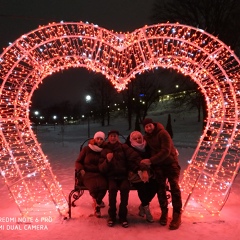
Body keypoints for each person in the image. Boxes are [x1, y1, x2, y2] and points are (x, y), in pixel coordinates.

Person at [141, 118, 182, 230]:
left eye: (150, 125)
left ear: (153, 125)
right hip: (159, 165)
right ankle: (164, 212)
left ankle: (177, 215)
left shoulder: (163, 133)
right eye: (146, 127)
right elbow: (135, 143)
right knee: (160, 187)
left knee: (174, 187)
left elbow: (165, 151)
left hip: (170, 163)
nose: (148, 128)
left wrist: (150, 161)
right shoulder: (147, 138)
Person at [99, 130, 142, 228]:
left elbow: (134, 157)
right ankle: (112, 216)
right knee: (112, 189)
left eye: (115, 136)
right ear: (108, 138)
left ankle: (123, 216)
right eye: (111, 136)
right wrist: (107, 161)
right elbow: (101, 168)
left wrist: (142, 167)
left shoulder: (124, 147)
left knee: (124, 189)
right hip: (111, 177)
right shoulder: (105, 150)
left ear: (117, 137)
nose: (113, 138)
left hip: (123, 176)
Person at [126, 131, 158, 223]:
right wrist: (140, 170)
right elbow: (130, 163)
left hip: (148, 172)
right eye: (135, 139)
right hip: (135, 173)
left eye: (139, 138)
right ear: (131, 140)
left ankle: (143, 205)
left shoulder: (147, 147)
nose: (137, 140)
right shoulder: (130, 148)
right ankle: (146, 208)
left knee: (155, 185)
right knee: (142, 186)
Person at [75, 131, 108, 218]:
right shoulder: (87, 149)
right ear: (94, 139)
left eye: (101, 139)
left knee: (103, 186)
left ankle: (97, 202)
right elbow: (78, 161)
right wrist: (80, 169)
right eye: (98, 138)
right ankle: (97, 205)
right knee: (93, 187)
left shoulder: (104, 150)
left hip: (100, 173)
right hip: (87, 173)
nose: (99, 141)